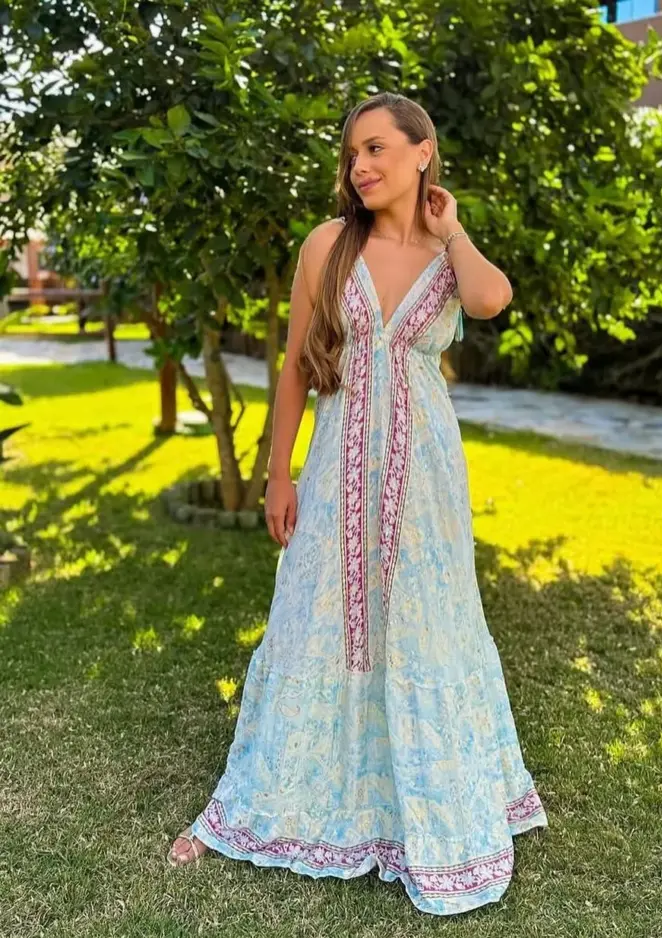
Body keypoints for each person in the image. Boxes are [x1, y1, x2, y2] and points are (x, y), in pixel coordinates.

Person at [167, 91, 548, 916]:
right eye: (352, 153)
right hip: (337, 465)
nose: (360, 165)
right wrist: (279, 476)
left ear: (422, 151)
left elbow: (492, 301)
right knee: (319, 617)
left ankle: (424, 803)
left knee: (425, 623)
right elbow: (295, 368)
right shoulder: (328, 245)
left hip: (425, 480)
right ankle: (275, 802)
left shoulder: (447, 252)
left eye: (377, 148)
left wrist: (452, 229)